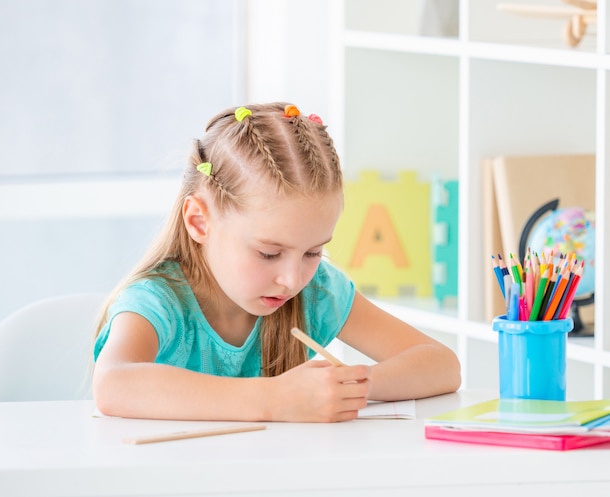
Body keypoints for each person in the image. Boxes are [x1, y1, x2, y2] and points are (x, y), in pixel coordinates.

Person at [92, 102, 461, 423]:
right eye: (268, 254)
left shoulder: (316, 293)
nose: (291, 278)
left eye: (313, 252)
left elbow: (442, 364)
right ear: (199, 221)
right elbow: (113, 384)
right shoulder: (158, 301)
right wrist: (276, 398)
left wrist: (344, 387)